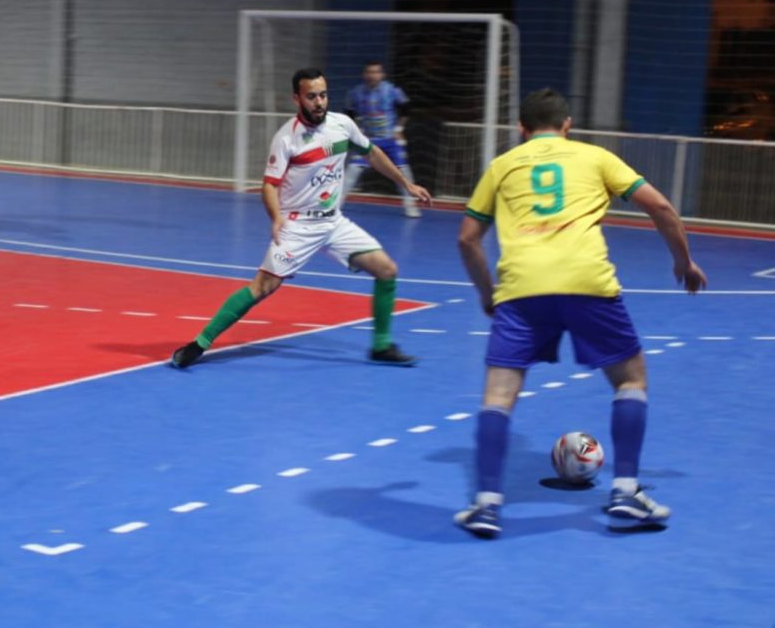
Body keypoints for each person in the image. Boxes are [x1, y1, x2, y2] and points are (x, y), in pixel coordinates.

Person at [453, 88, 707, 538]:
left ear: (521, 130)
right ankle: (626, 493)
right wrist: (682, 261)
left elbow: (468, 239)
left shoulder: (502, 166)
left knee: (497, 395)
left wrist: (487, 294)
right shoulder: (595, 157)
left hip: (522, 287)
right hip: (586, 282)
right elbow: (661, 207)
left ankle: (487, 505)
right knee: (631, 379)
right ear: (567, 125)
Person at [170, 68, 432, 369]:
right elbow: (270, 184)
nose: (319, 102)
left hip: (333, 222)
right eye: (311, 96)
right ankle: (199, 344)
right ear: (297, 98)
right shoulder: (286, 139)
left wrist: (406, 184)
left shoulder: (342, 125)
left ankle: (381, 346)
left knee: (386, 270)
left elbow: (372, 153)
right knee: (262, 288)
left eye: (323, 95)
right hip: (298, 225)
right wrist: (276, 218)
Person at [343, 61, 420, 218]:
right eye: (370, 72)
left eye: (376, 72)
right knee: (352, 170)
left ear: (382, 74)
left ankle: (410, 205)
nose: (373, 75)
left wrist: (399, 129)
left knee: (403, 170)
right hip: (368, 141)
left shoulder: (392, 90)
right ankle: (336, 205)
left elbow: (407, 109)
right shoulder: (356, 93)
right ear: (365, 74)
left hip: (390, 140)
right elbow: (348, 114)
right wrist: (357, 130)